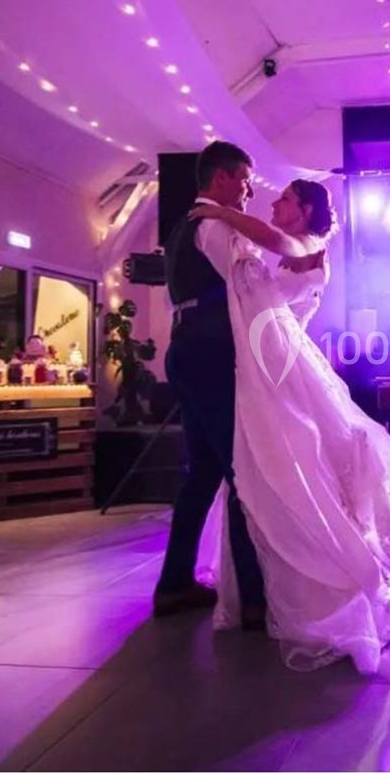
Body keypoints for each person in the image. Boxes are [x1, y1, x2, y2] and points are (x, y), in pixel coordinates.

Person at [183, 172, 390, 674]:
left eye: (283, 199)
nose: (273, 204)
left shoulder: (304, 243)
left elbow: (273, 239)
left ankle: (325, 579)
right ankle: (265, 579)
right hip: (276, 360)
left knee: (293, 462)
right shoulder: (297, 248)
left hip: (284, 365)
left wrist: (220, 212)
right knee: (274, 463)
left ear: (303, 210)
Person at [153, 141, 267, 629]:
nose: (247, 191)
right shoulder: (216, 225)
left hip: (186, 350)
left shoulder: (184, 226)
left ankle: (174, 585)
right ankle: (255, 600)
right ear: (220, 178)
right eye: (243, 180)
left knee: (201, 474)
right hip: (210, 353)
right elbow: (244, 285)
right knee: (242, 472)